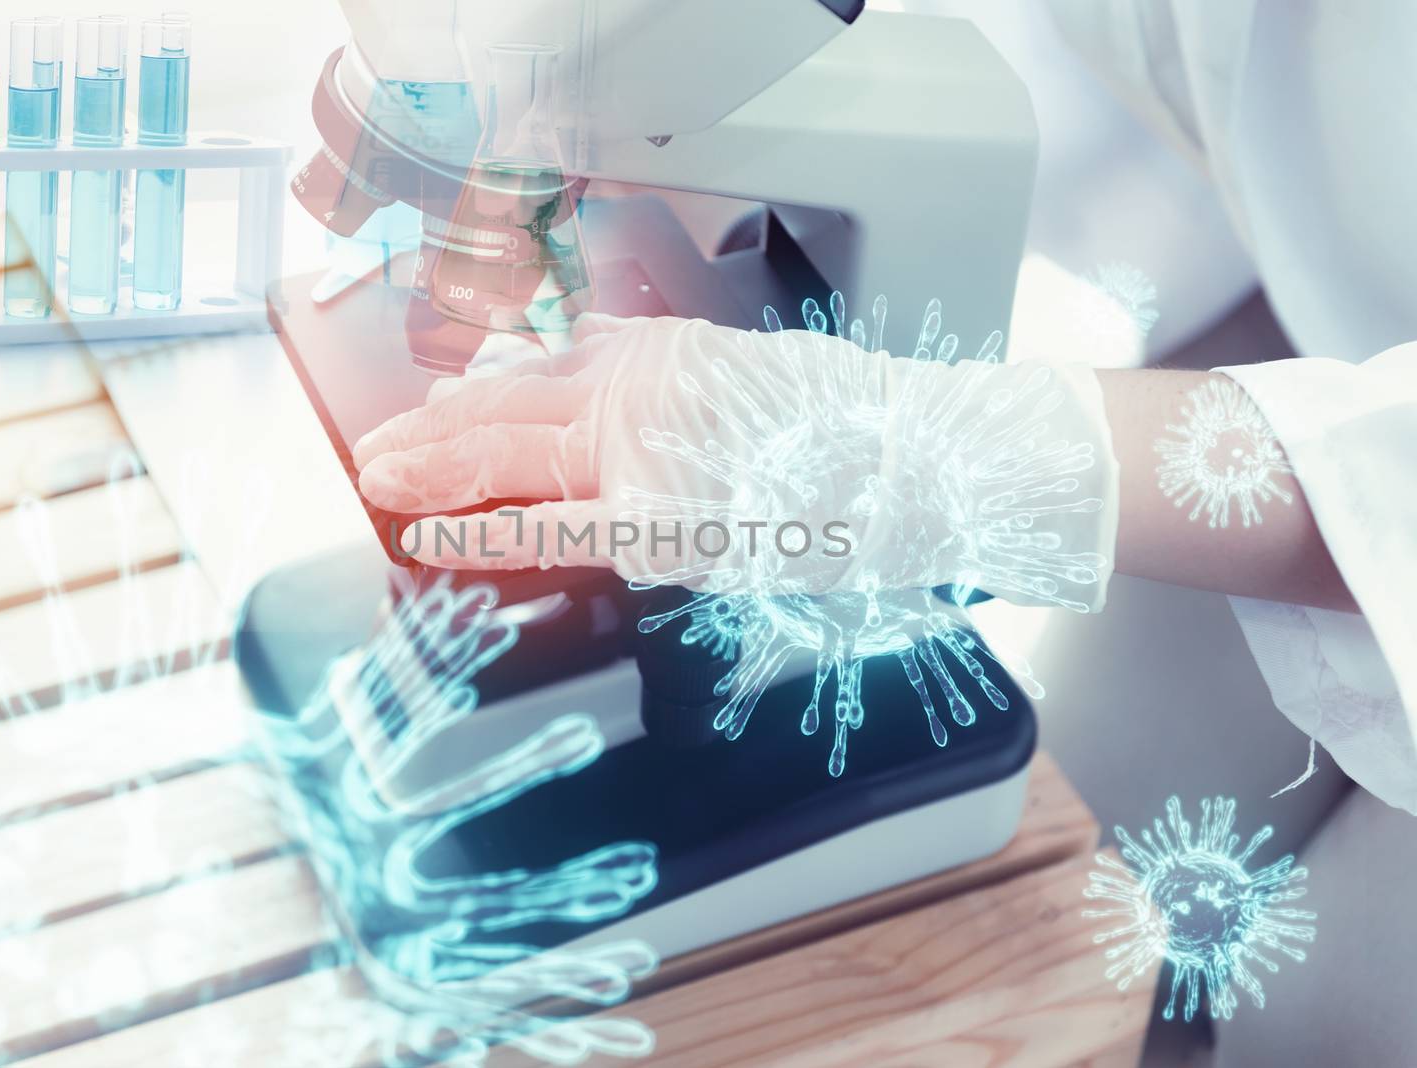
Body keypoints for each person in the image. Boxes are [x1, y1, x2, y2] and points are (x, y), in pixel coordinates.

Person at [352, 2, 1416, 1062]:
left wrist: (933, 454)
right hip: (1287, 273)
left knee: (1303, 1018)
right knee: (1103, 850)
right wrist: (726, 192)